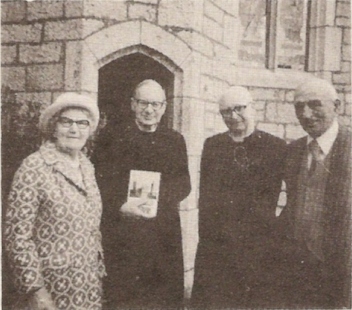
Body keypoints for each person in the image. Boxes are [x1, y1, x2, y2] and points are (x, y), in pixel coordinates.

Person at [92, 79, 191, 308]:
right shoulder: (112, 136)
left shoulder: (175, 140)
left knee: (161, 298)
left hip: (162, 233)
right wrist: (120, 205)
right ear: (133, 104)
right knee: (125, 297)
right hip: (123, 230)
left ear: (164, 107)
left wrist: (157, 200)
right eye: (144, 103)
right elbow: (99, 179)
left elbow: (184, 183)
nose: (149, 110)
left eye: (155, 104)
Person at [4, 93, 105, 309]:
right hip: (49, 291)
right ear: (53, 127)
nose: (74, 129)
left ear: (89, 129)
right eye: (66, 122)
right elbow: (17, 236)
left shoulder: (87, 167)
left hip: (86, 288)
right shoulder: (34, 167)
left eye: (82, 123)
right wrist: (35, 290)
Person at [191, 86, 286, 308]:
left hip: (258, 247)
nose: (233, 116)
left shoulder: (276, 147)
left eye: (239, 108)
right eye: (226, 111)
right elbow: (205, 199)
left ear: (253, 108)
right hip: (218, 247)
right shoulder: (213, 145)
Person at [276, 78, 351, 308]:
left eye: (315, 104)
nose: (306, 114)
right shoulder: (294, 150)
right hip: (299, 271)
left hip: (343, 271)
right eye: (299, 107)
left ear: (336, 106)